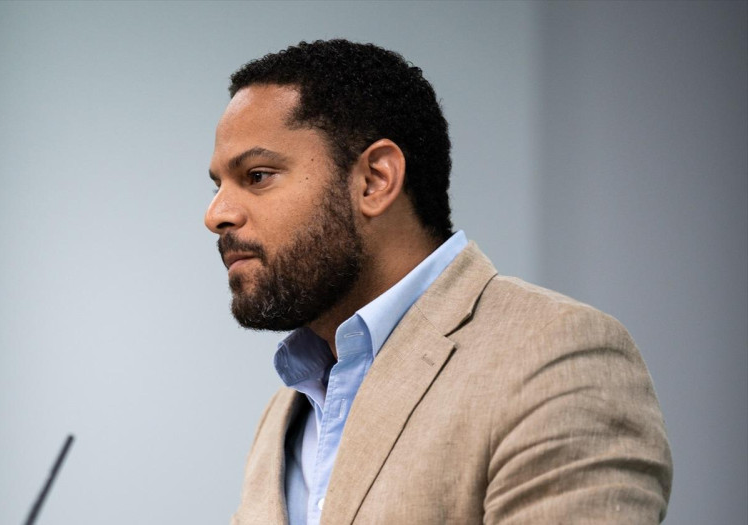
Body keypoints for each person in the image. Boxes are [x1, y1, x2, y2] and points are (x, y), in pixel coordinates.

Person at [206, 40, 672, 524]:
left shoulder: (558, 357)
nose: (216, 214)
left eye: (257, 175)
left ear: (374, 180)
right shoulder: (286, 413)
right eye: (217, 185)